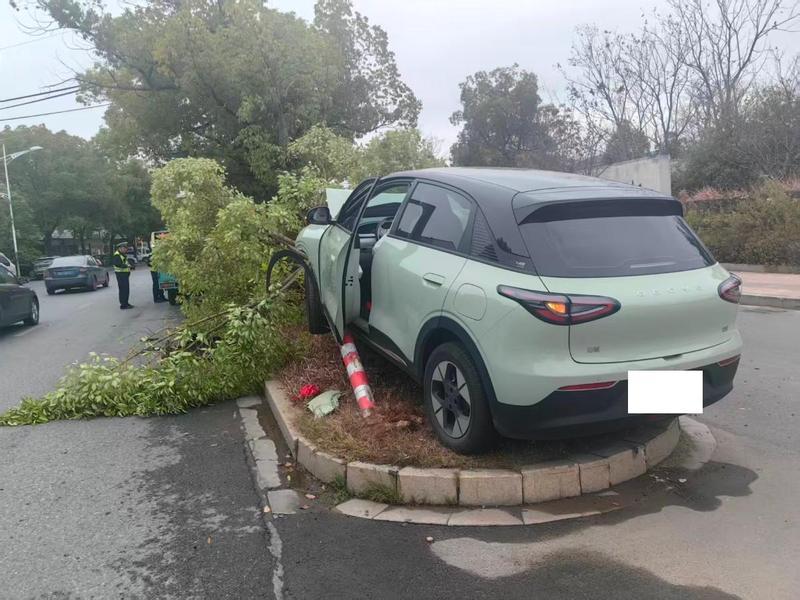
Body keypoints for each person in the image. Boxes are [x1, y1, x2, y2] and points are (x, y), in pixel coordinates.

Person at [112, 242, 134, 309]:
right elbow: (117, 264)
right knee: (123, 290)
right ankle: (123, 305)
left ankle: (126, 303)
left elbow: (124, 262)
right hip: (120, 275)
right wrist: (126, 266)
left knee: (126, 289)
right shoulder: (117, 255)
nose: (125, 249)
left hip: (124, 274)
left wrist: (130, 266)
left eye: (126, 248)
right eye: (124, 248)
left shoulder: (122, 254)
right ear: (120, 248)